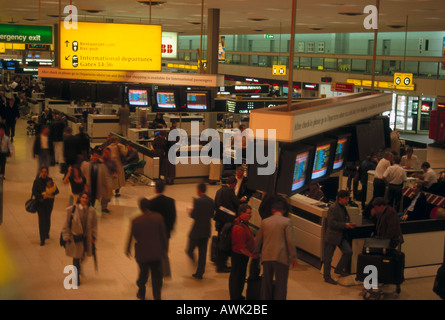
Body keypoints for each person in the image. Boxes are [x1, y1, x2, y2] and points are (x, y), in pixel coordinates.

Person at [254, 196, 297, 300]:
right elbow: (290, 241)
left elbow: (258, 239)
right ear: (284, 210)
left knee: (266, 284)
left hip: (267, 257)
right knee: (281, 286)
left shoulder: (265, 222)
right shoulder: (287, 222)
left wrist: (255, 251)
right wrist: (293, 257)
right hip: (281, 258)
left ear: (273, 210)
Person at [126, 198, 168, 300]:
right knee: (156, 277)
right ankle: (157, 297)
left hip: (142, 253)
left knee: (143, 274)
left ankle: (141, 292)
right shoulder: (158, 217)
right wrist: (165, 249)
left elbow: (132, 236)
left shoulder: (136, 221)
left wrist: (127, 249)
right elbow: (163, 235)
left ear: (140, 207)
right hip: (156, 253)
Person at [61, 192, 98, 287]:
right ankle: (76, 278)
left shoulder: (92, 211)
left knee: (83, 256)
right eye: (83, 197)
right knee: (76, 258)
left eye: (86, 198)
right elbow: (66, 224)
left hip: (86, 238)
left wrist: (94, 237)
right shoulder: (71, 210)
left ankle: (79, 269)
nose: (84, 199)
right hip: (75, 238)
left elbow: (94, 225)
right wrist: (66, 237)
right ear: (80, 198)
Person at [322, 190, 356, 285]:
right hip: (332, 236)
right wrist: (345, 225)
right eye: (346, 198)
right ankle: (327, 277)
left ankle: (339, 269)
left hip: (341, 236)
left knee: (349, 252)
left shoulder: (343, 207)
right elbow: (332, 223)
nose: (347, 200)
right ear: (340, 198)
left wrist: (349, 224)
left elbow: (345, 219)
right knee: (328, 258)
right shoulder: (333, 209)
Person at [186, 183, 214, 280]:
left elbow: (194, 215)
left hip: (197, 230)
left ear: (199, 190)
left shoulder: (197, 202)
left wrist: (190, 211)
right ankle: (200, 272)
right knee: (203, 252)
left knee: (189, 250)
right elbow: (211, 215)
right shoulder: (211, 201)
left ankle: (195, 263)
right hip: (206, 230)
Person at [229, 204, 257, 300]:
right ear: (241, 213)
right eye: (248, 213)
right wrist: (251, 255)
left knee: (240, 277)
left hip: (242, 256)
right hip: (239, 256)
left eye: (251, 213)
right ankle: (235, 297)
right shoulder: (239, 228)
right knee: (237, 278)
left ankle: (238, 295)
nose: (250, 215)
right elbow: (241, 248)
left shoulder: (243, 223)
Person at [214, 176, 240, 273]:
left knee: (219, 238)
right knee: (225, 242)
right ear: (233, 184)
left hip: (219, 219)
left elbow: (216, 205)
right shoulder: (230, 191)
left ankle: (217, 260)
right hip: (227, 220)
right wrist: (232, 213)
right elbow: (236, 203)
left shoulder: (219, 191)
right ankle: (221, 265)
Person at [32, 166, 59, 246]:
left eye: (45, 172)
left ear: (47, 173)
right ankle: (42, 239)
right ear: (40, 172)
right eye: (42, 171)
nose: (44, 173)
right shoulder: (37, 181)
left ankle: (46, 232)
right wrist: (41, 196)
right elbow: (34, 192)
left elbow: (56, 191)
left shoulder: (50, 180)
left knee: (47, 218)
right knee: (41, 220)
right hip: (40, 203)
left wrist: (50, 194)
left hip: (49, 203)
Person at [148, 179, 177, 249]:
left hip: (155, 232)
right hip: (166, 231)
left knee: (155, 250)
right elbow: (173, 216)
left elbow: (149, 218)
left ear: (155, 189)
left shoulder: (152, 202)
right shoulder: (171, 201)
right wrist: (170, 228)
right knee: (165, 250)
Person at [101, 147, 118, 213]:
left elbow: (115, 169)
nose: (106, 154)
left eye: (107, 153)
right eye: (105, 152)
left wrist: (114, 174)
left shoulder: (112, 161)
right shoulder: (101, 160)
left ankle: (104, 207)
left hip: (108, 178)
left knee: (107, 193)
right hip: (101, 178)